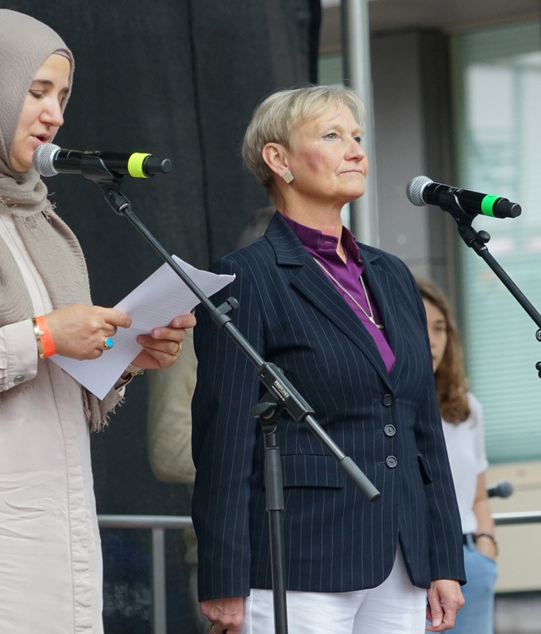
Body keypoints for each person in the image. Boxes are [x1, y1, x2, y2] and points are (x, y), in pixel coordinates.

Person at [0, 10, 194, 633]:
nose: (55, 114)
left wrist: (121, 355)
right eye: (36, 93)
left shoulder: (32, 214)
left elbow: (45, 361)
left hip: (60, 525)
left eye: (62, 96)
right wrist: (45, 336)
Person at [190, 85, 465, 634]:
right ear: (279, 159)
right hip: (298, 558)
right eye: (333, 136)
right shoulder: (248, 275)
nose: (357, 151)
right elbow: (223, 438)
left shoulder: (391, 274)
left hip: (403, 559)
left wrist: (444, 559)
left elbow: (421, 428)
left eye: (358, 137)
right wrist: (224, 576)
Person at [146, 205, 274, 634]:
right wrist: (280, 453)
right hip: (232, 561)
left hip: (328, 550)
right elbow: (167, 452)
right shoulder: (194, 332)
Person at [418, 277, 497, 634]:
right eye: (421, 325)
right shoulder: (382, 413)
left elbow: (478, 494)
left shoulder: (466, 409)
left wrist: (486, 547)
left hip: (468, 563)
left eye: (440, 328)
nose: (433, 339)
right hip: (407, 569)